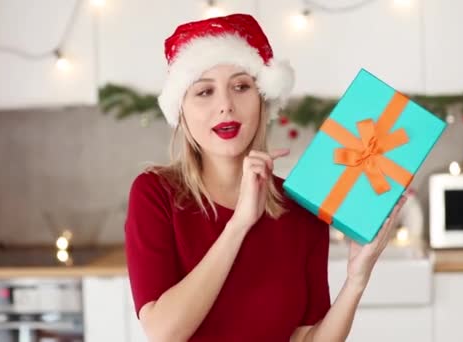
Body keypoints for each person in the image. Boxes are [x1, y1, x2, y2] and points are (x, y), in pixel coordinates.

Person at [124, 13, 407, 342]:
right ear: (181, 110)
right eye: (204, 92)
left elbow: (306, 338)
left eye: (241, 86)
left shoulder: (301, 207)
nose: (226, 106)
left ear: (262, 100)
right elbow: (163, 333)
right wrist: (240, 224)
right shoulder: (156, 195)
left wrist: (357, 279)